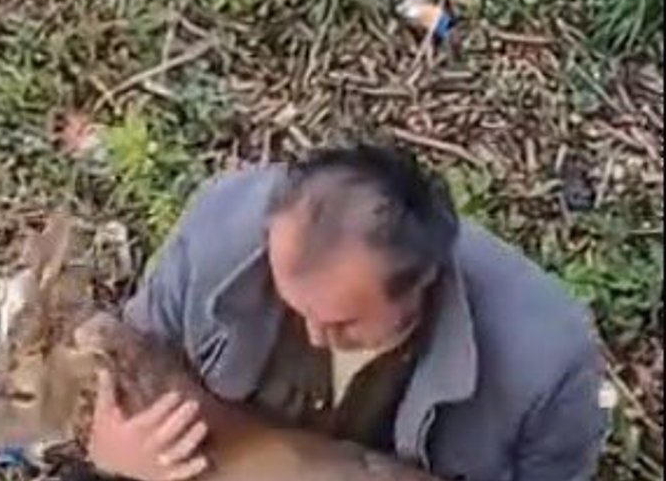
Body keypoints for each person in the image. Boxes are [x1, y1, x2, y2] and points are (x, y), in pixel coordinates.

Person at [87, 142, 610, 480]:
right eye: (293, 304)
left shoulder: (546, 368)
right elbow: (133, 362)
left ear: (422, 282)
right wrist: (115, 451)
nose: (314, 336)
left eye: (344, 324)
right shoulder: (218, 231)